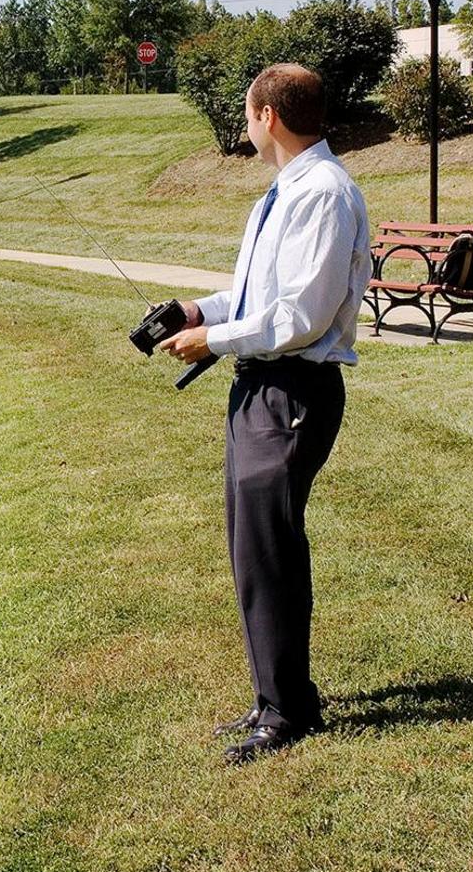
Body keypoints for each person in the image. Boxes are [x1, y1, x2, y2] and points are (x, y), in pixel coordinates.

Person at [158, 63, 370, 765]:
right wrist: (196, 312)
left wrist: (211, 339)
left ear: (267, 116)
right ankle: (276, 696)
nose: (244, 124)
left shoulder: (324, 194)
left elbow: (302, 318)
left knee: (268, 548)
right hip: (261, 387)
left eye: (246, 113)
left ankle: (284, 713)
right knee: (254, 545)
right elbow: (259, 298)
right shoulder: (284, 193)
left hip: (294, 392)